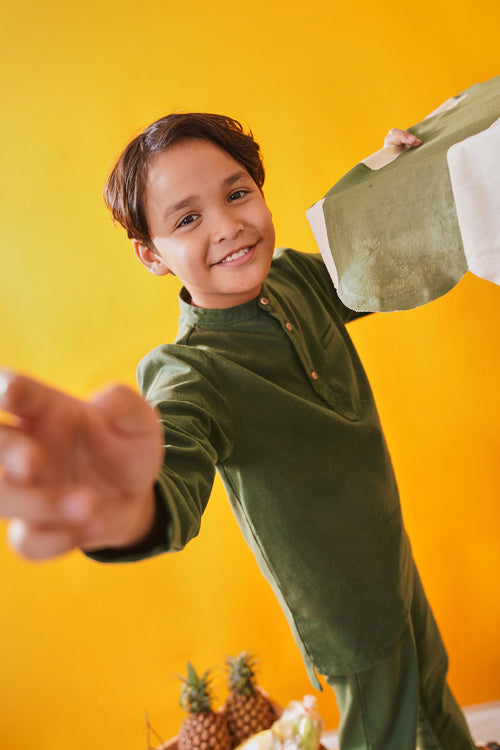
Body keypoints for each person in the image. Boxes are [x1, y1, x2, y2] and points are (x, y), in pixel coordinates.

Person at [0, 113, 484, 750]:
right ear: (151, 255)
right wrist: (132, 506)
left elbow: (376, 258)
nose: (229, 226)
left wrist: (402, 175)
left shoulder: (296, 277)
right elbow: (174, 459)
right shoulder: (190, 371)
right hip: (341, 609)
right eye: (186, 218)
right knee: (384, 731)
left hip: (391, 557)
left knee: (434, 693)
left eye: (237, 194)